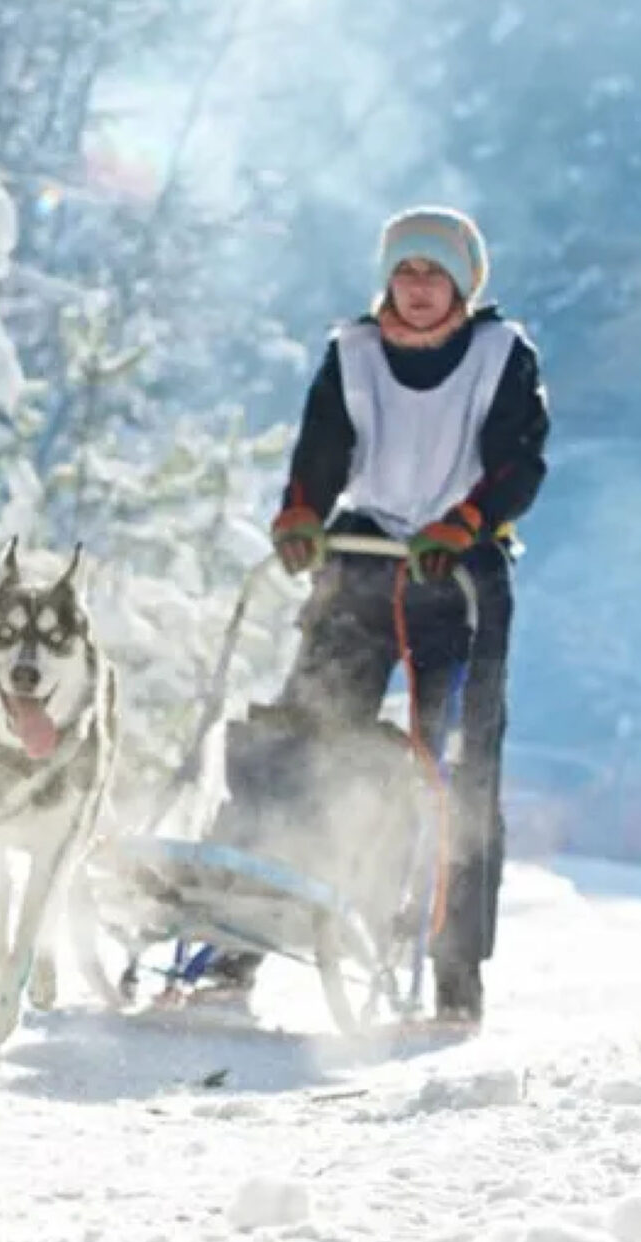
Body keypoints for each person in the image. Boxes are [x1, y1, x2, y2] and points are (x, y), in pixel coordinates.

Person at [211, 204, 550, 1025]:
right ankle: (234, 939)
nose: (420, 288)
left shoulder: (502, 355)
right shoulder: (353, 353)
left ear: (464, 283)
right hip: (364, 561)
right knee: (300, 735)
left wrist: (466, 523)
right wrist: (301, 514)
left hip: (461, 571)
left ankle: (453, 972)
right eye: (406, 272)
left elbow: (520, 461)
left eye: (436, 273)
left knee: (455, 775)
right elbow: (323, 449)